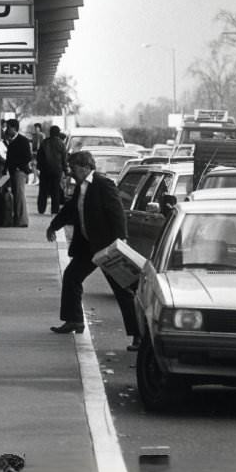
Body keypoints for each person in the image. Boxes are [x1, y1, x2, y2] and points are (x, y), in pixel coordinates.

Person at [45, 150, 140, 350]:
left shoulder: (103, 184)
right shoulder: (81, 187)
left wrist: (120, 242)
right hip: (88, 246)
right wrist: (54, 225)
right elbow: (71, 209)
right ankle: (74, 320)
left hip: (106, 246)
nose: (70, 172)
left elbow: (117, 213)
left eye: (73, 167)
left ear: (85, 166)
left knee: (122, 291)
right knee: (71, 276)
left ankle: (139, 336)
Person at [4, 117, 32, 226]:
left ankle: (22, 221)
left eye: (8, 127)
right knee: (16, 195)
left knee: (19, 196)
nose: (6, 129)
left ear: (14, 128)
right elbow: (8, 157)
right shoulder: (11, 140)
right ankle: (17, 219)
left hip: (19, 171)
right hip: (13, 171)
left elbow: (28, 157)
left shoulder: (23, 140)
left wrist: (18, 167)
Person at [36, 125, 68, 215]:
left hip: (45, 170)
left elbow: (39, 156)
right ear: (58, 133)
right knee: (55, 190)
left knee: (43, 190)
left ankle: (41, 208)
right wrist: (65, 170)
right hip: (57, 171)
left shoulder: (44, 142)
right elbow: (64, 159)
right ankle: (54, 210)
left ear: (50, 132)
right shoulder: (61, 144)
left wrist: (40, 167)